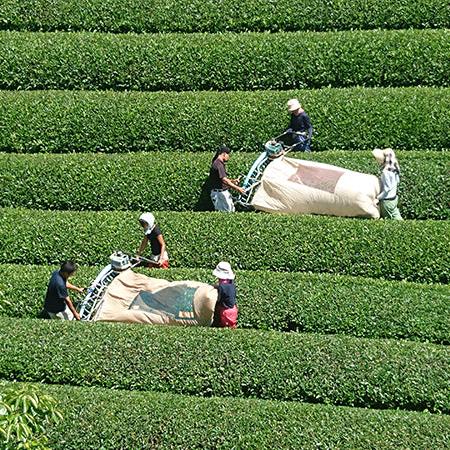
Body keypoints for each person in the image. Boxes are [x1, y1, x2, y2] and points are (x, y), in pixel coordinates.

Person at [209, 145, 245, 212]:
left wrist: (233, 181)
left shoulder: (217, 163)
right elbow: (224, 180)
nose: (229, 157)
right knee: (228, 212)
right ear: (224, 154)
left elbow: (220, 179)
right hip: (220, 195)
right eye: (228, 155)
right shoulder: (218, 164)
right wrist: (238, 188)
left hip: (219, 193)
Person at [372, 148, 403, 220]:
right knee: (397, 218)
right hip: (394, 199)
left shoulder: (385, 172)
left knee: (390, 221)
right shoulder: (394, 169)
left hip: (387, 201)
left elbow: (387, 188)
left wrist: (377, 198)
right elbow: (397, 181)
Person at [211, 261, 238, 328]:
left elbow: (218, 299)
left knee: (225, 327)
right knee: (232, 328)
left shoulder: (222, 287)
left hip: (226, 312)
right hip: (234, 309)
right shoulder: (231, 283)